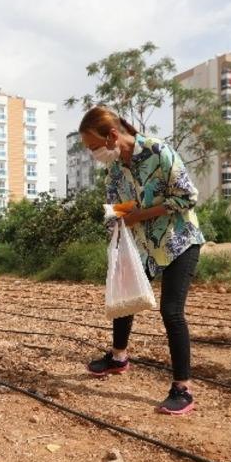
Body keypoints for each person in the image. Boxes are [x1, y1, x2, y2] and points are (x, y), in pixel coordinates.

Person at [79, 106, 204, 415]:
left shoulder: (158, 151)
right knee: (127, 296)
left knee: (171, 311)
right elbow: (113, 208)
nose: (94, 154)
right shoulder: (115, 168)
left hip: (179, 241)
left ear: (112, 136)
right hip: (143, 246)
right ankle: (118, 358)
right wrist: (118, 222)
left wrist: (139, 214)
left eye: (94, 147)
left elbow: (188, 196)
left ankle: (183, 389)